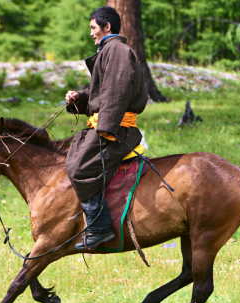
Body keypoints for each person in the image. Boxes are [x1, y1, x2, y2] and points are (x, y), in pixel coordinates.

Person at [65, 6, 148, 250]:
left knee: (79, 167)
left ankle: (100, 228)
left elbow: (117, 92)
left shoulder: (118, 51)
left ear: (106, 27)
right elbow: (99, 93)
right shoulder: (109, 51)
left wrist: (106, 127)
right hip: (108, 124)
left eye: (93, 27)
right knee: (74, 157)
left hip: (116, 129)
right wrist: (78, 97)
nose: (91, 33)